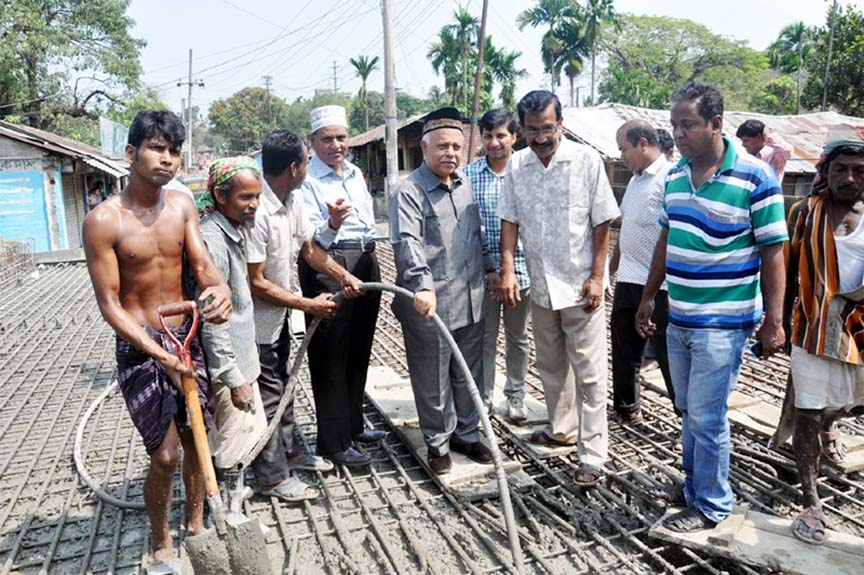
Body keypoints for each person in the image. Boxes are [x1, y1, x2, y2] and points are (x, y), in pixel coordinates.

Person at [83, 110, 232, 574]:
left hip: (186, 337)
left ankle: (196, 526)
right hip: (142, 346)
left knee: (195, 441)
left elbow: (203, 265)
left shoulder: (181, 207)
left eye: (173, 151)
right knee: (165, 454)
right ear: (131, 153)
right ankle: (161, 540)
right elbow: (111, 306)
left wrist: (219, 288)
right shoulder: (103, 221)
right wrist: (162, 354)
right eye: (156, 148)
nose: (166, 159)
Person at [635, 82, 788, 533]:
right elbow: (666, 238)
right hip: (678, 313)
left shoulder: (756, 177)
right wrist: (648, 296)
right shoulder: (676, 177)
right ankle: (694, 486)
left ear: (716, 124)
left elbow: (774, 251)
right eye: (674, 125)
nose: (678, 134)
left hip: (723, 321)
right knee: (688, 410)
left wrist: (774, 321)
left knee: (707, 414)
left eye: (688, 124)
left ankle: (712, 505)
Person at [499, 90, 620, 487]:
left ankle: (593, 454)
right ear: (523, 130)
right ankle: (562, 429)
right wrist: (508, 270)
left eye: (547, 128)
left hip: (581, 286)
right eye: (532, 130)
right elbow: (509, 221)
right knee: (551, 367)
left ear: (560, 124)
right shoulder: (517, 166)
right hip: (541, 285)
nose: (540, 137)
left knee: (589, 375)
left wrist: (597, 277)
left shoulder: (586, 162)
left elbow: (603, 222)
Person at [244, 129, 364, 481]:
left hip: (278, 318)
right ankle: (273, 477)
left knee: (284, 384)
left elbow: (310, 250)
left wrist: (342, 275)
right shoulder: (258, 210)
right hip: (254, 323)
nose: (310, 167)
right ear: (295, 167)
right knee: (267, 396)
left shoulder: (292, 200)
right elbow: (256, 282)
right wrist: (307, 304)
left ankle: (291, 453)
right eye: (308, 161)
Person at [197, 156, 318, 505]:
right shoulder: (213, 242)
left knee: (245, 428)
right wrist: (232, 376)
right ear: (221, 195)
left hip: (244, 353)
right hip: (231, 363)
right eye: (245, 198)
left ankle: (235, 501)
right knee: (233, 441)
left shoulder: (233, 230)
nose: (254, 205)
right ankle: (233, 510)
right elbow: (214, 318)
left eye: (256, 197)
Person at [390, 107, 495, 475]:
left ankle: (466, 434)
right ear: (424, 148)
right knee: (432, 375)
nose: (450, 153)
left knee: (468, 373)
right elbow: (407, 243)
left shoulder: (465, 185)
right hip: (430, 303)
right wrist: (421, 285)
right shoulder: (410, 192)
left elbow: (476, 237)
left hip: (471, 296)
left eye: (456, 146)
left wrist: (491, 271)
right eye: (442, 147)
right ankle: (437, 441)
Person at [783, 123, 864, 545]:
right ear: (826, 171)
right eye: (841, 169)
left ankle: (834, 427)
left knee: (848, 407)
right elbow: (784, 267)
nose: (849, 178)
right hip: (812, 327)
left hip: (861, 329)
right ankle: (811, 502)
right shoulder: (804, 213)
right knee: (809, 415)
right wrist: (775, 322)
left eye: (859, 170)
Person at [299, 105, 384, 467]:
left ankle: (353, 424)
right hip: (330, 264)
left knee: (359, 346)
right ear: (312, 142)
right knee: (330, 352)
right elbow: (311, 243)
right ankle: (333, 442)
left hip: (366, 257)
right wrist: (332, 223)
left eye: (341, 137)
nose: (336, 145)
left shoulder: (354, 173)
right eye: (327, 139)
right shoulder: (306, 180)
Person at [463, 109, 530, 422]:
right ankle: (485, 397)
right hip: (485, 274)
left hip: (523, 272)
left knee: (518, 338)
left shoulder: (527, 170)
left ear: (515, 137)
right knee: (485, 338)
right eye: (487, 136)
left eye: (501, 135)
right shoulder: (469, 175)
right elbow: (468, 226)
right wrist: (491, 270)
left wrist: (512, 272)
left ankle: (516, 397)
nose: (493, 142)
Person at [609, 119, 675, 423]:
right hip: (628, 278)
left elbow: (670, 235)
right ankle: (626, 409)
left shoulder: (671, 178)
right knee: (624, 347)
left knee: (667, 354)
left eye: (625, 148)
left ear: (644, 143)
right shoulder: (636, 180)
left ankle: (684, 420)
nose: (622, 155)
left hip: (659, 285)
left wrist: (654, 287)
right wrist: (613, 268)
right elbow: (627, 228)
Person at [735, 119, 794, 184]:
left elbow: (787, 151)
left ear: (759, 137)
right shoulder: (746, 158)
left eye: (746, 141)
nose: (743, 145)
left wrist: (768, 135)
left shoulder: (774, 155)